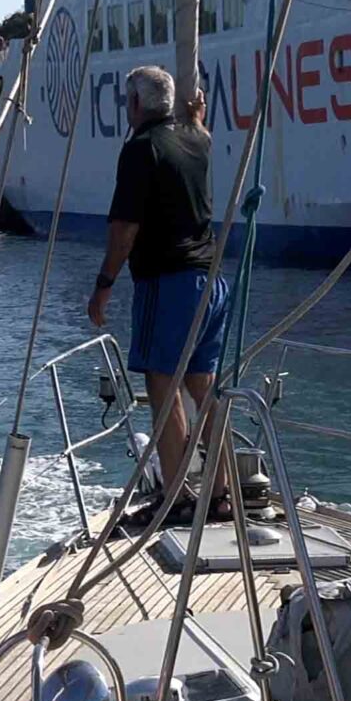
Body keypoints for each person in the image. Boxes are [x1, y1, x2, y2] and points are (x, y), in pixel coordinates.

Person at [87, 65, 227, 504]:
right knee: (203, 386)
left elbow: (125, 229)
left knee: (162, 386)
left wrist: (104, 285)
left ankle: (177, 495)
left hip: (168, 284)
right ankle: (223, 491)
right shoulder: (198, 140)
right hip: (211, 282)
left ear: (134, 104)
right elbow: (198, 132)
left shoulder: (139, 150)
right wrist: (198, 116)